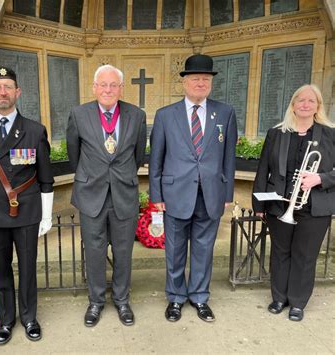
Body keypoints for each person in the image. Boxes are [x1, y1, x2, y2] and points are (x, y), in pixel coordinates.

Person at [0, 66, 54, 345]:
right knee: (0, 267)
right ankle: (6, 319)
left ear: (18, 92)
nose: (3, 92)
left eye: (8, 87)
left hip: (26, 210)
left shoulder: (35, 130)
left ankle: (29, 317)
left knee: (27, 267)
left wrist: (47, 214)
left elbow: (46, 176)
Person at [149, 54, 237, 323]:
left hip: (211, 194)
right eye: (196, 78)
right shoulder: (165, 115)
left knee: (203, 249)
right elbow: (157, 159)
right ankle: (175, 298)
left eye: (206, 79)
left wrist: (227, 194)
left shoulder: (225, 112)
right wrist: (156, 196)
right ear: (185, 82)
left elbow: (229, 158)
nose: (201, 83)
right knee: (174, 250)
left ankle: (199, 296)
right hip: (176, 194)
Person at [66, 64, 147, 327]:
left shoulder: (136, 115)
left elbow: (137, 155)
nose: (108, 89)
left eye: (113, 85)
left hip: (123, 193)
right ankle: (96, 302)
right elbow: (73, 155)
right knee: (95, 251)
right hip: (91, 195)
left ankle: (122, 300)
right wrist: (91, 176)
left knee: (123, 252)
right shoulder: (79, 114)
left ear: (121, 88)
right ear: (94, 87)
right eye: (103, 84)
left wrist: (120, 176)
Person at [252, 84, 335, 321]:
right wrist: (259, 205)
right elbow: (263, 170)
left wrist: (320, 178)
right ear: (293, 104)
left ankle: (297, 301)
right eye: (301, 100)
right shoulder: (277, 133)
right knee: (280, 252)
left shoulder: (330, 134)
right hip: (280, 204)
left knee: (305, 254)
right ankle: (279, 297)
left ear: (318, 106)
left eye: (311, 101)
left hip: (314, 205)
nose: (305, 105)